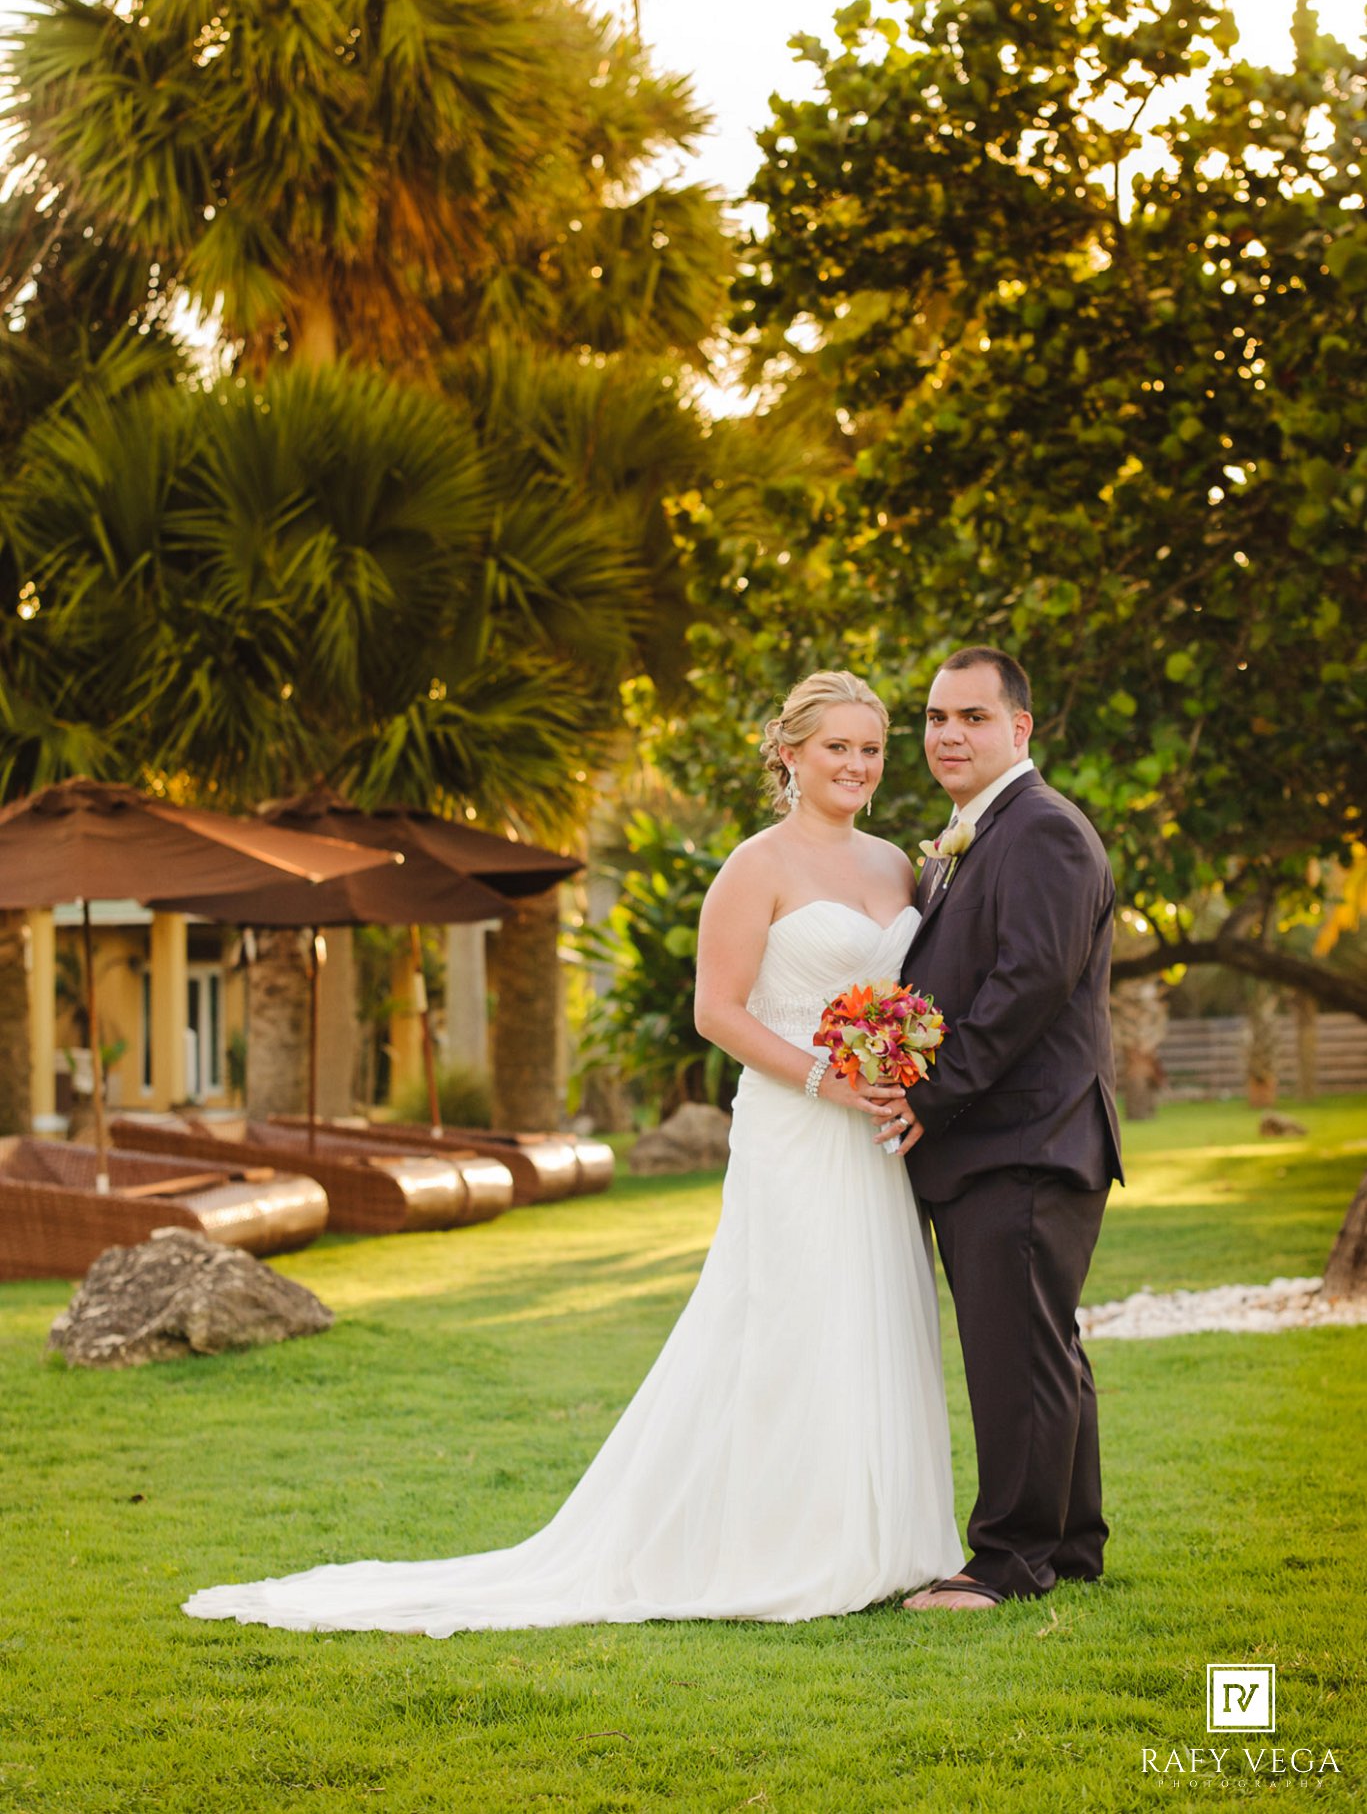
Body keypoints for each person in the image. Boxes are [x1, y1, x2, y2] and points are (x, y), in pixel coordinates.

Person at [183, 670, 961, 1636]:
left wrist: (890, 1076)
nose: (856, 764)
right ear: (789, 753)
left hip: (873, 1135)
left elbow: (905, 996)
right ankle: (782, 1544)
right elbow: (714, 1011)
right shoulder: (753, 867)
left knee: (875, 1310)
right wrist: (823, 1080)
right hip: (797, 1126)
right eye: (837, 746)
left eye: (871, 747)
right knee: (789, 1320)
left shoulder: (899, 865)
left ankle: (883, 1538)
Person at [874, 647, 1124, 1610]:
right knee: (1038, 1342)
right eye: (936, 718)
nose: (947, 734)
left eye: (971, 718)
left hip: (1024, 1137)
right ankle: (1068, 1543)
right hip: (1008, 1139)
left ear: (1019, 728)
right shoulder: (971, 835)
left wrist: (927, 1098)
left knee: (1016, 1349)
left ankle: (1007, 1559)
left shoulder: (1044, 831)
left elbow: (1025, 988)